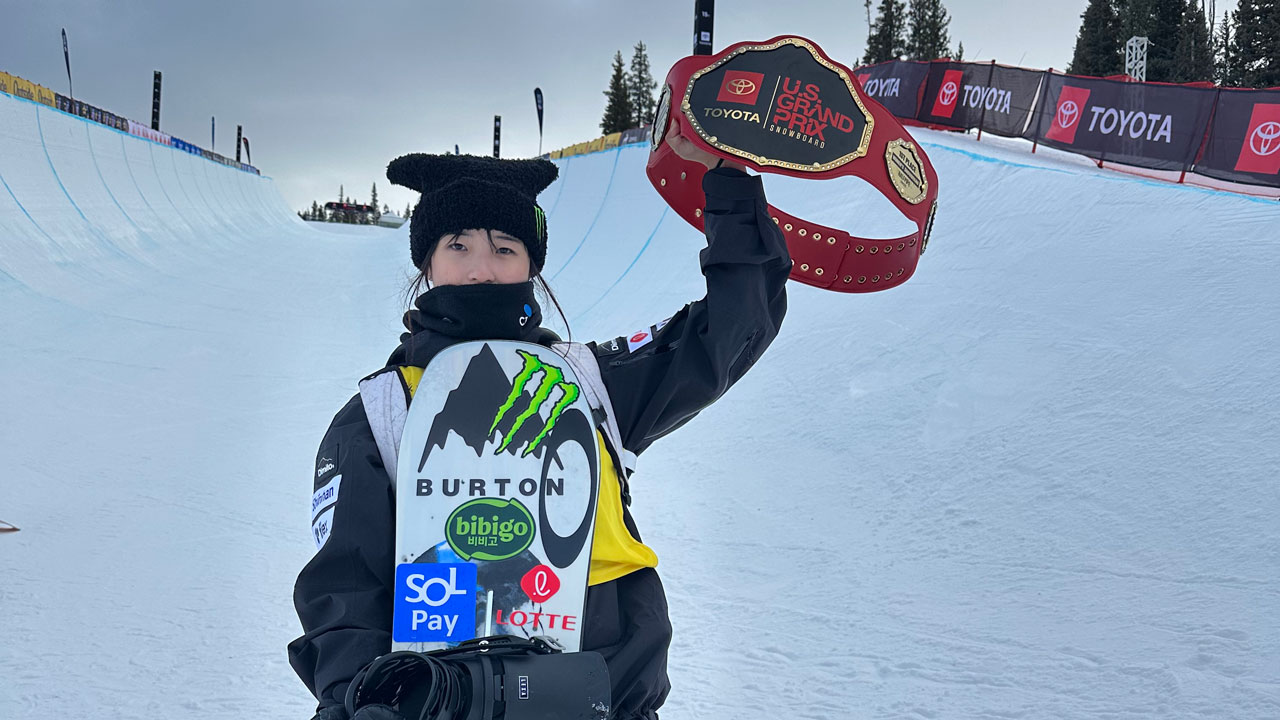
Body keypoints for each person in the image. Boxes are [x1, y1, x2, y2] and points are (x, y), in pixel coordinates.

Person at [289, 124, 791, 720]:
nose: (482, 269)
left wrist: (727, 184)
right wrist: (352, 702)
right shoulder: (383, 412)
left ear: (532, 262)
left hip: (606, 697)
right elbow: (344, 588)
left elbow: (729, 331)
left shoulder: (592, 384)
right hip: (445, 701)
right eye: (458, 246)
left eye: (505, 249)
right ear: (426, 261)